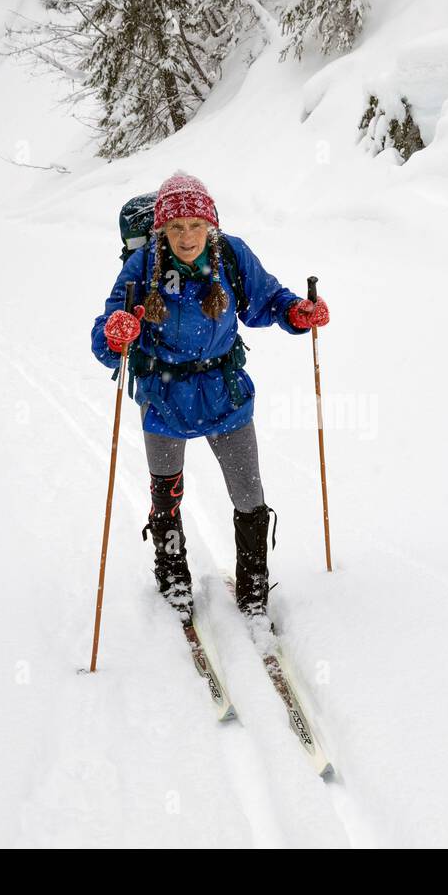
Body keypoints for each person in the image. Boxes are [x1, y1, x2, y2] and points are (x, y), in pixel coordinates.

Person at [91, 170, 330, 620]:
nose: (187, 237)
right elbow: (104, 344)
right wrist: (116, 334)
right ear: (161, 230)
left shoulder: (231, 255)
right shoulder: (140, 269)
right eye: (176, 227)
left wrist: (298, 313)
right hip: (163, 396)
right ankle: (172, 572)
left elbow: (269, 300)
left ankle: (254, 584)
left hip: (225, 393)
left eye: (196, 225)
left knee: (248, 494)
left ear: (211, 225)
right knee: (167, 491)